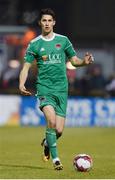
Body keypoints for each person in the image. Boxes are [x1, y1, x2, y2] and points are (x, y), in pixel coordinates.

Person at [19, 8, 94, 170]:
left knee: (58, 130)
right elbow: (25, 67)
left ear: (54, 22)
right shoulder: (35, 44)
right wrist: (21, 83)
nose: (46, 23)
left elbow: (74, 60)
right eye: (44, 20)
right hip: (44, 88)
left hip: (61, 89)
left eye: (49, 20)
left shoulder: (63, 40)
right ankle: (56, 160)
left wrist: (84, 62)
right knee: (51, 122)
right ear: (40, 23)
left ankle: (47, 143)